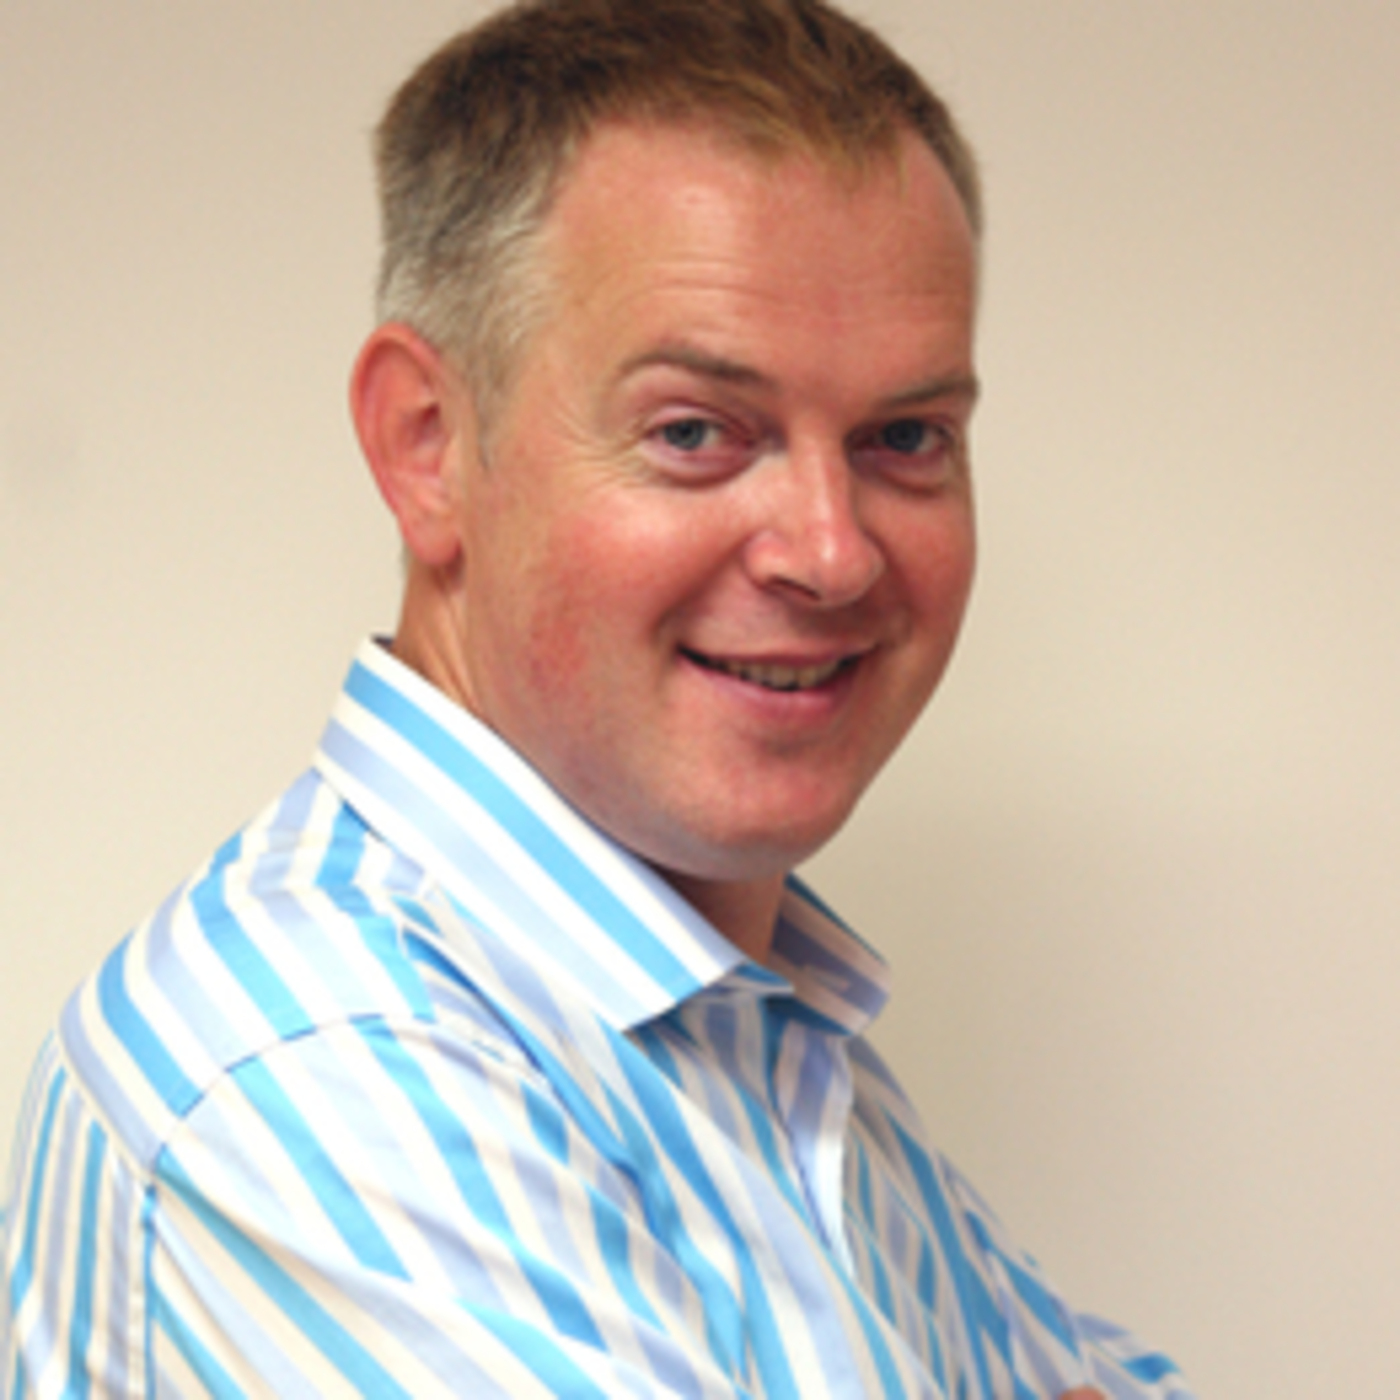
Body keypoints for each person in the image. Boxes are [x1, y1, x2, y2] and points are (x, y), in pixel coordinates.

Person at [0, 1, 1193, 1395]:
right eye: (695, 432)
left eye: (905, 437)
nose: (831, 551)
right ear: (427, 446)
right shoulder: (316, 1070)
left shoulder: (763, 1038)